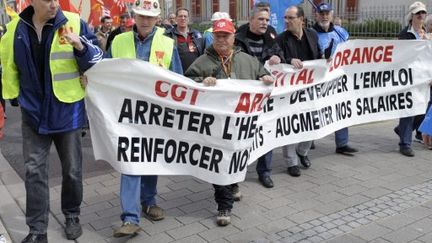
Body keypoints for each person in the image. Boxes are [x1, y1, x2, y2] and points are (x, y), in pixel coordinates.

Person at [0, 0, 103, 242]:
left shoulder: (74, 22)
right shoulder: (16, 29)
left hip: (67, 111)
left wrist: (80, 46)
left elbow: (98, 58)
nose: (54, 4)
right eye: (48, 0)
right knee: (34, 171)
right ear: (33, 1)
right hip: (33, 114)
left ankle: (71, 216)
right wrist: (15, 97)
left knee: (72, 171)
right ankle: (37, 230)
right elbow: (9, 65)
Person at [185, 17, 274, 226]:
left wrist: (266, 78)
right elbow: (186, 83)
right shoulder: (202, 62)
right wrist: (201, 82)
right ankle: (223, 205)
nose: (222, 39)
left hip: (241, 126)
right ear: (212, 36)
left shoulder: (247, 60)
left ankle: (233, 184)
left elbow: (263, 73)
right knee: (218, 163)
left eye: (226, 35)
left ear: (234, 36)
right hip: (215, 126)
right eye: (218, 35)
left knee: (236, 157)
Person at [106, 0, 183, 238]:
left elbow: (178, 79)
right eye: (141, 15)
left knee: (150, 158)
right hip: (127, 113)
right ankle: (130, 217)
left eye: (150, 17)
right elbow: (106, 69)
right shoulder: (118, 41)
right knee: (131, 161)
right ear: (135, 16)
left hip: (156, 115)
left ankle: (149, 202)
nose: (145, 20)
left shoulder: (168, 44)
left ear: (157, 18)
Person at [234, 6, 284, 188]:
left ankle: (265, 172)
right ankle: (236, 175)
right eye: (261, 19)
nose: (265, 23)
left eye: (267, 20)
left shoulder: (270, 36)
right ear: (251, 20)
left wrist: (277, 57)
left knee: (266, 132)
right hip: (245, 97)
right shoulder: (238, 38)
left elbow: (280, 54)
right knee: (242, 136)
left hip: (266, 97)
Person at [276, 6, 319, 177]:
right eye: (285, 17)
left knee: (312, 121)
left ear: (301, 19)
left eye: (290, 18)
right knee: (291, 124)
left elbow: (319, 55)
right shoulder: (281, 39)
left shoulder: (312, 35)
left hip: (310, 88)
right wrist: (288, 60)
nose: (286, 21)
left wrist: (328, 60)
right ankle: (291, 161)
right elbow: (275, 57)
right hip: (290, 91)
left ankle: (303, 151)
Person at [312, 2, 358, 156]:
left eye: (327, 13)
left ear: (331, 15)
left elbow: (350, 52)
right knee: (313, 109)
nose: (325, 16)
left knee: (341, 108)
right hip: (317, 79)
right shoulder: (310, 34)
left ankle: (342, 144)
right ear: (316, 15)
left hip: (338, 79)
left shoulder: (341, 33)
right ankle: (308, 140)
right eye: (322, 13)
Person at [394, 1, 428, 157]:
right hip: (409, 77)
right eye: (418, 13)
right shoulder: (404, 35)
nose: (421, 16)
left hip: (426, 78)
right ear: (411, 17)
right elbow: (399, 57)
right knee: (409, 109)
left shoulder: (427, 34)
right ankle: (405, 143)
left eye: (423, 13)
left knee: (424, 108)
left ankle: (403, 130)